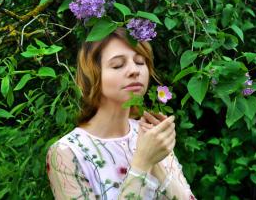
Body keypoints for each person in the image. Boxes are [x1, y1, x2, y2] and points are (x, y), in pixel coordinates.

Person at [46, 27, 196, 199]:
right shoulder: (67, 152)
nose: (135, 70)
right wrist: (143, 162)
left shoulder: (151, 136)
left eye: (140, 62)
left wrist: (157, 163)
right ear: (93, 75)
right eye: (118, 64)